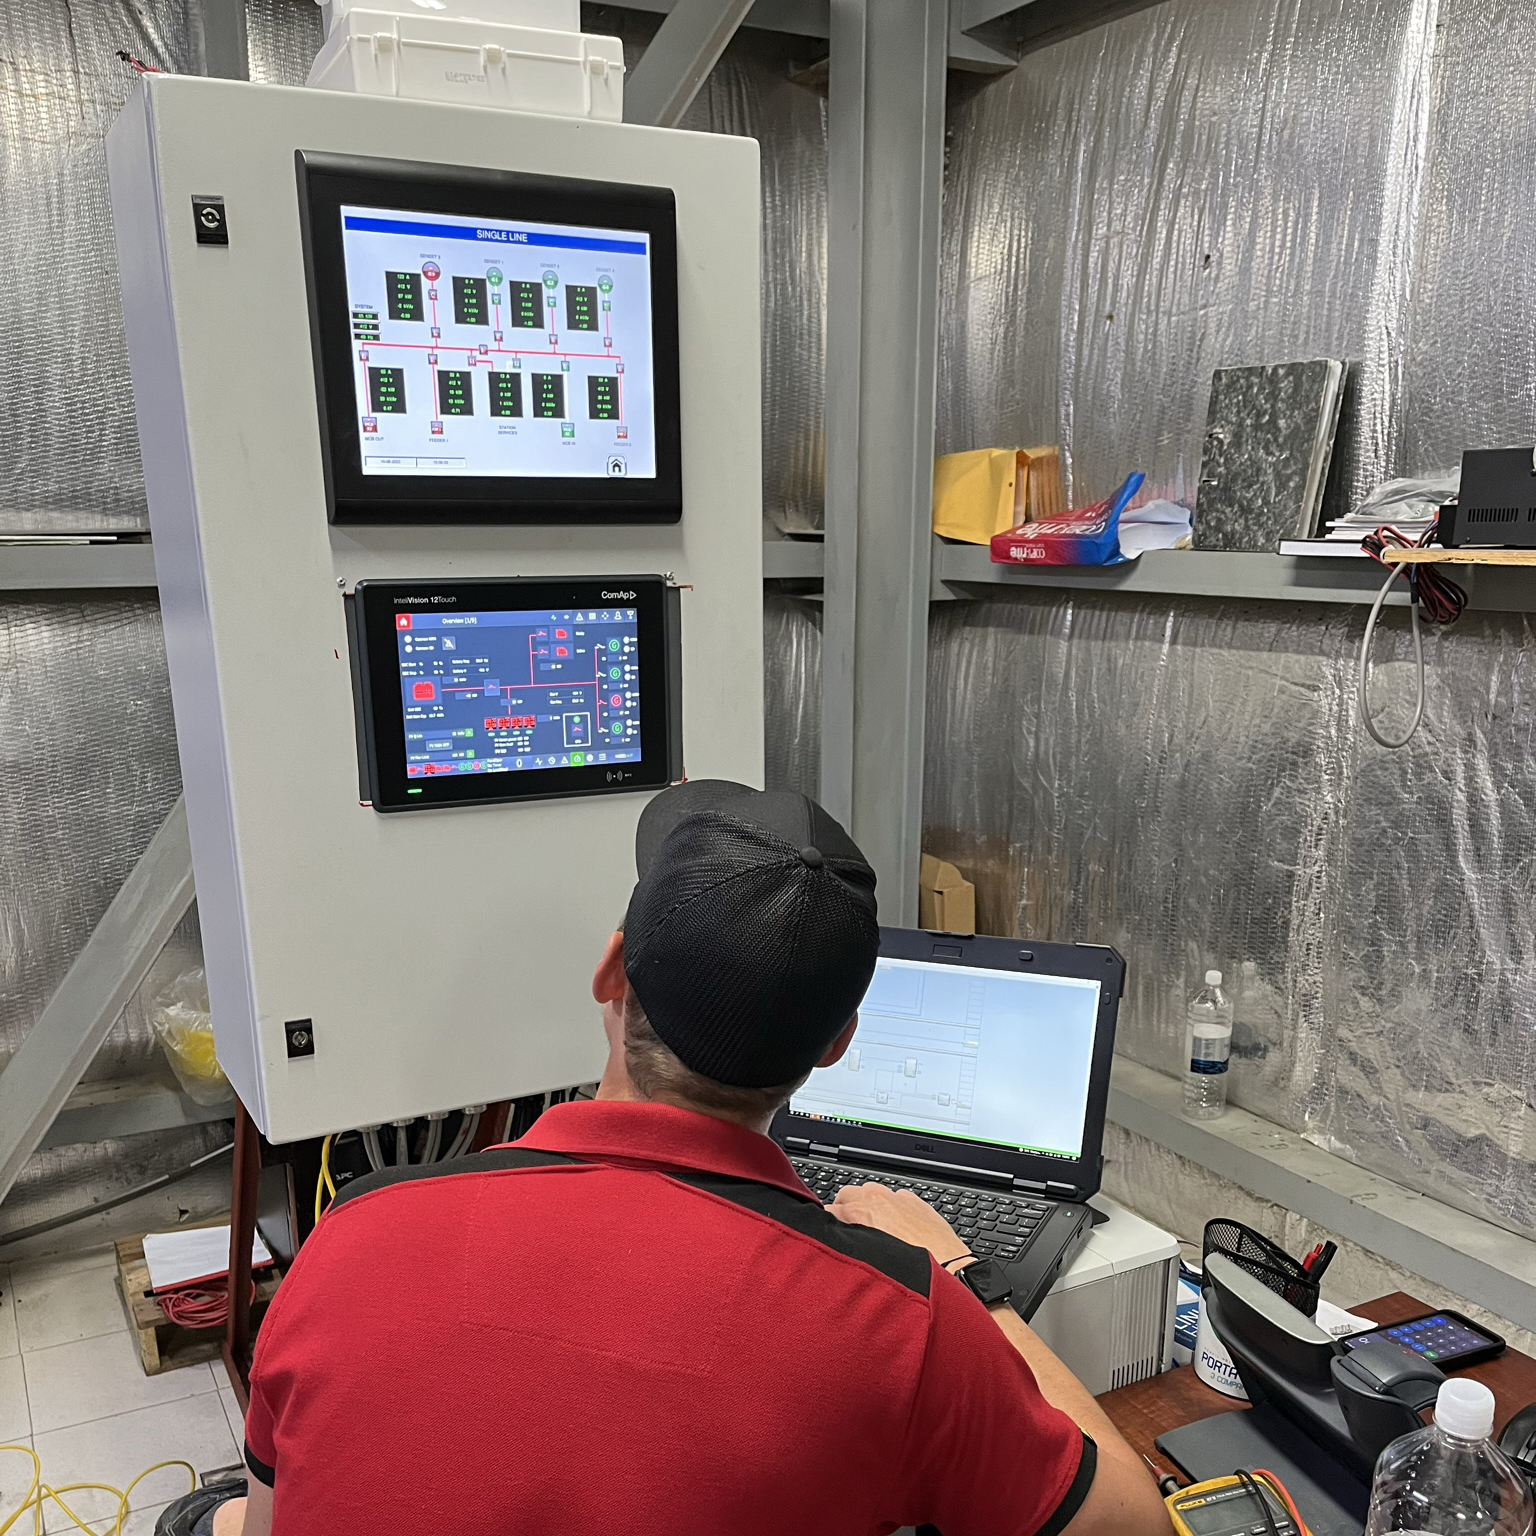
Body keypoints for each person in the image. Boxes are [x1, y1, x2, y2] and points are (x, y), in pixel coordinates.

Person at [170, 781, 1169, 1536]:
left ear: (610, 972)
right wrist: (969, 1285)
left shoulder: (352, 1240)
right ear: (837, 1044)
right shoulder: (901, 1328)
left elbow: (268, 1521)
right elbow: (1135, 1522)